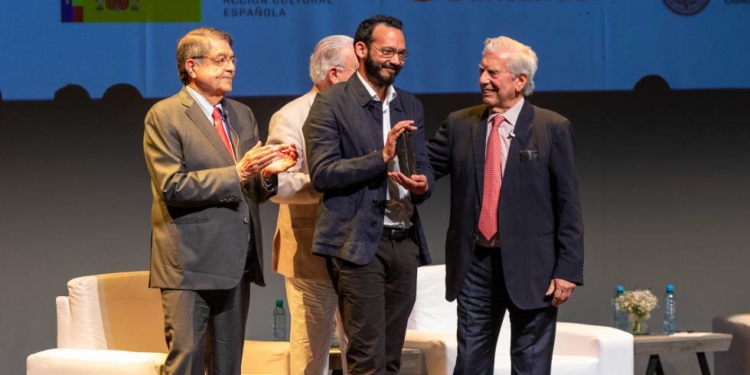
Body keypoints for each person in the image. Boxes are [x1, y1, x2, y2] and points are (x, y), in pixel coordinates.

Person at [143, 26, 297, 375]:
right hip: (189, 263)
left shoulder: (240, 114)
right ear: (192, 67)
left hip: (236, 262)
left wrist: (269, 174)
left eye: (232, 59)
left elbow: (252, 189)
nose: (231, 67)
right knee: (188, 361)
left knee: (229, 367)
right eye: (220, 60)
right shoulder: (165, 116)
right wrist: (238, 173)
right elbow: (172, 186)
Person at [426, 36, 584, 375]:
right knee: (470, 365)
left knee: (529, 366)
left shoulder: (551, 128)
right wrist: (410, 174)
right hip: (475, 265)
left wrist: (567, 268)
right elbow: (425, 168)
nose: (483, 79)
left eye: (493, 72)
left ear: (520, 80)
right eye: (482, 70)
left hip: (534, 268)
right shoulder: (460, 123)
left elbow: (568, 202)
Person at [303, 15, 434, 375]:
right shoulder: (331, 103)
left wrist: (424, 184)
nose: (395, 60)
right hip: (357, 243)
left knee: (393, 358)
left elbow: (423, 163)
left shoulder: (410, 104)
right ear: (361, 49)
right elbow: (324, 173)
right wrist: (381, 157)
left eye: (402, 54)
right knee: (366, 357)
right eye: (387, 51)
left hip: (404, 241)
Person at [266, 35, 358, 375]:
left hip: (360, 252)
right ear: (335, 74)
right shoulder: (291, 117)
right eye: (358, 69)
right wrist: (334, 180)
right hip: (310, 253)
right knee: (310, 354)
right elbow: (277, 186)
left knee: (361, 349)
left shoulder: (366, 112)